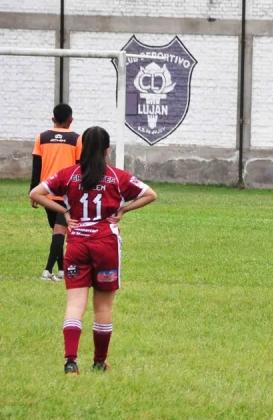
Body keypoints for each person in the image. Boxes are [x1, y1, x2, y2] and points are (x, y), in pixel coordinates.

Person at [29, 126, 157, 375]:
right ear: (107, 150)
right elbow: (150, 194)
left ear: (83, 148)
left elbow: (36, 193)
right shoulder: (117, 177)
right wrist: (123, 210)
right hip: (105, 245)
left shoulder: (69, 175)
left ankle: (70, 362)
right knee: (103, 308)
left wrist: (64, 212)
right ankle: (99, 362)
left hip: (76, 244)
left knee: (75, 304)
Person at [29, 104, 82, 281]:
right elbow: (79, 167)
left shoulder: (41, 137)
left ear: (53, 119)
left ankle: (61, 271)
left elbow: (36, 167)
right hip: (66, 193)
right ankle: (47, 271)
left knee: (57, 231)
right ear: (71, 120)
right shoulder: (77, 139)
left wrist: (33, 192)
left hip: (45, 193)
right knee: (59, 231)